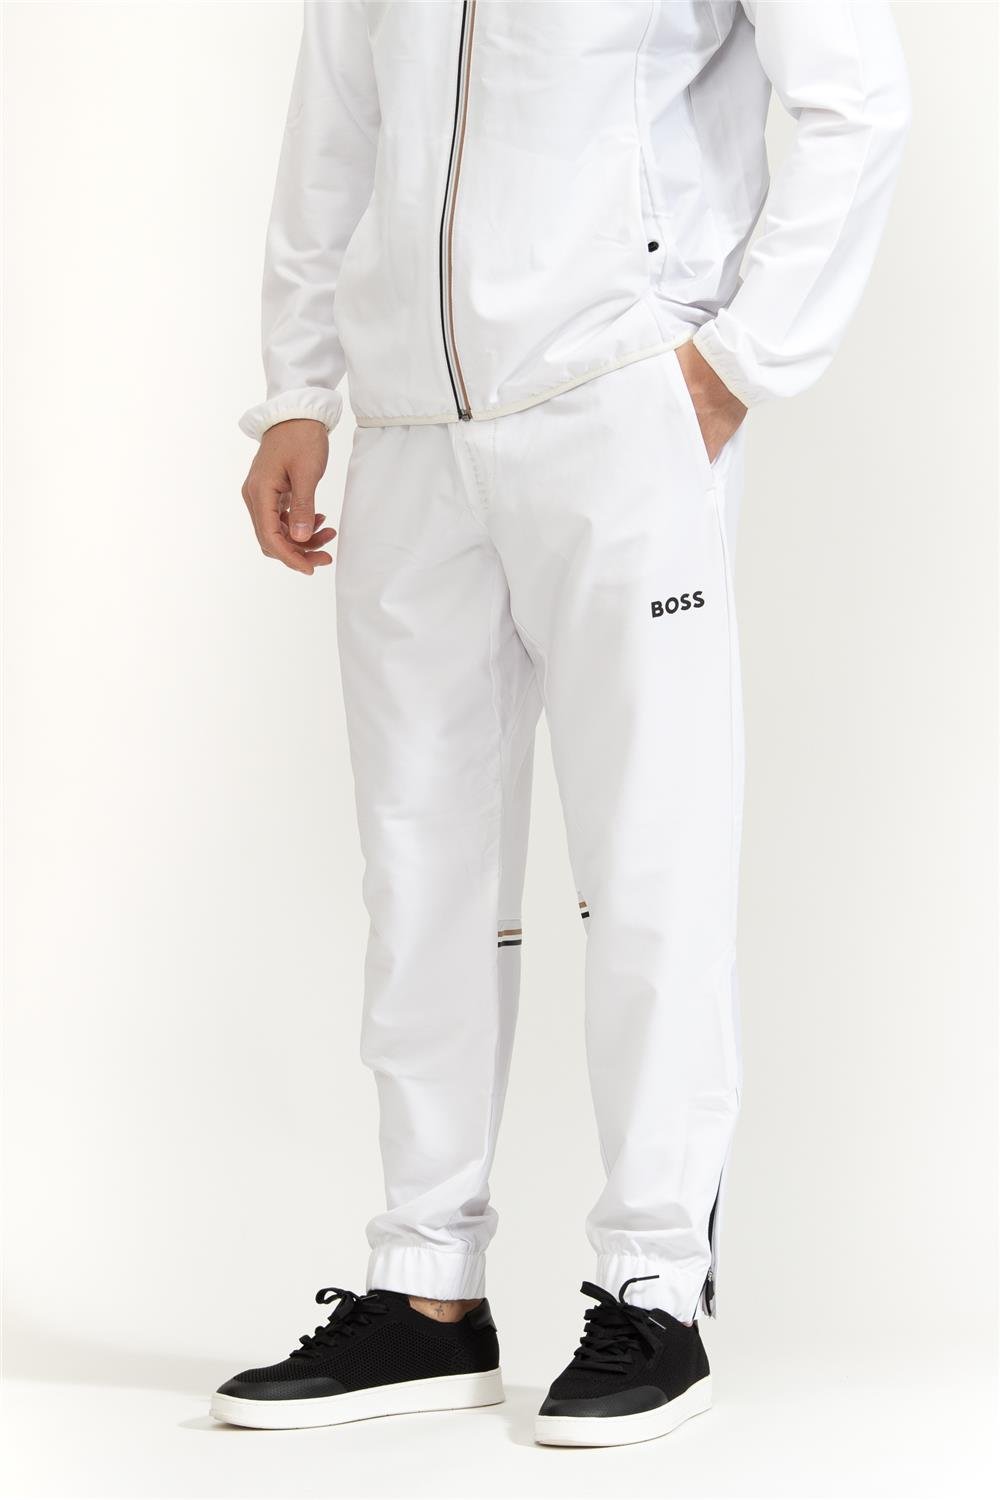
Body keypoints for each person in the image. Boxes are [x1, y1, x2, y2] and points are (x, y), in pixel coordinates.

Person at [213, 0, 909, 1447]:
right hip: (411, 430)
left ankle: (655, 1286)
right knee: (420, 873)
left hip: (617, 407)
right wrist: (298, 389)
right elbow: (336, 121)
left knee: (648, 857)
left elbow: (857, 99)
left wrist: (737, 361)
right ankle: (425, 1291)